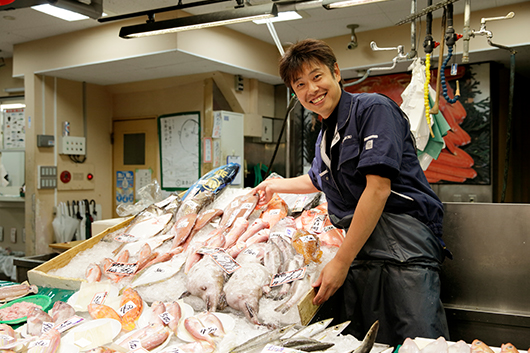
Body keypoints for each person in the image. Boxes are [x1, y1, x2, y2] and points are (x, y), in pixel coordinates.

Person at [253, 39, 450, 345]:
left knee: (419, 344)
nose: (311, 90)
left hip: (403, 241)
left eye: (317, 77)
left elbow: (378, 190)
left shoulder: (373, 109)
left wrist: (340, 262)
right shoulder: (325, 132)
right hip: (363, 246)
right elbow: (318, 179)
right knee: (372, 343)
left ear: (336, 72)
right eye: (300, 84)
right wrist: (272, 184)